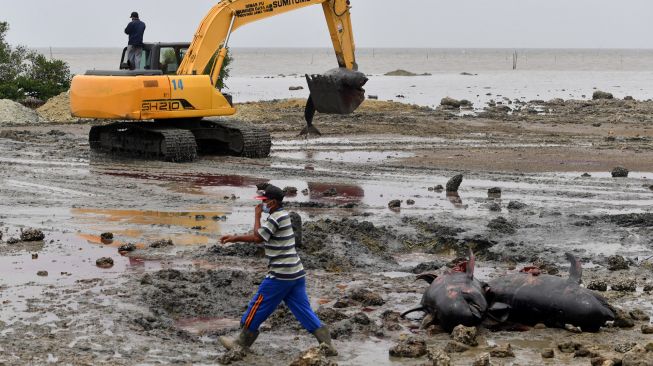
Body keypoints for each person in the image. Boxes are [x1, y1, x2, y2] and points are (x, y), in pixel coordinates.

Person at [218, 184, 337, 356]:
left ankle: (241, 342)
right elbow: (261, 236)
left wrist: (256, 216)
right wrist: (235, 237)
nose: (261, 205)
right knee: (303, 310)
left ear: (272, 202)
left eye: (264, 202)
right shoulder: (283, 215)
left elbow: (258, 237)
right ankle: (327, 344)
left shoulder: (274, 218)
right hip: (296, 273)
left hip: (281, 275)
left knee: (257, 306)